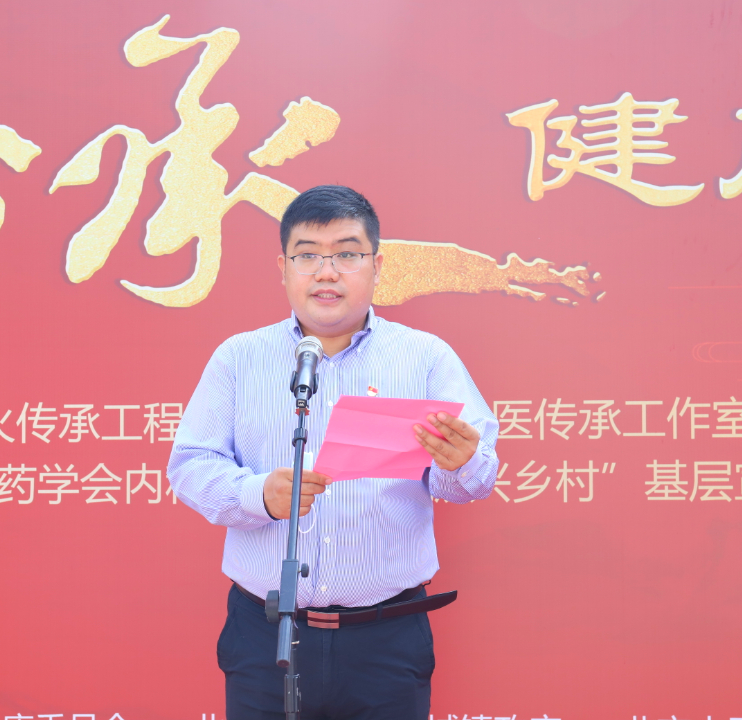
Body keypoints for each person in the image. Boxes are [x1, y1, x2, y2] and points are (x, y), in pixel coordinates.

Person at [168, 185, 500, 720]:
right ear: (283, 268)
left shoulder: (425, 358)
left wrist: (459, 461)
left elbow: (472, 482)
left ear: (377, 266)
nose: (327, 272)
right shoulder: (239, 358)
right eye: (307, 256)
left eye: (347, 254)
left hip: (386, 639)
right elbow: (189, 465)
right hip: (266, 634)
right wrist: (259, 495)